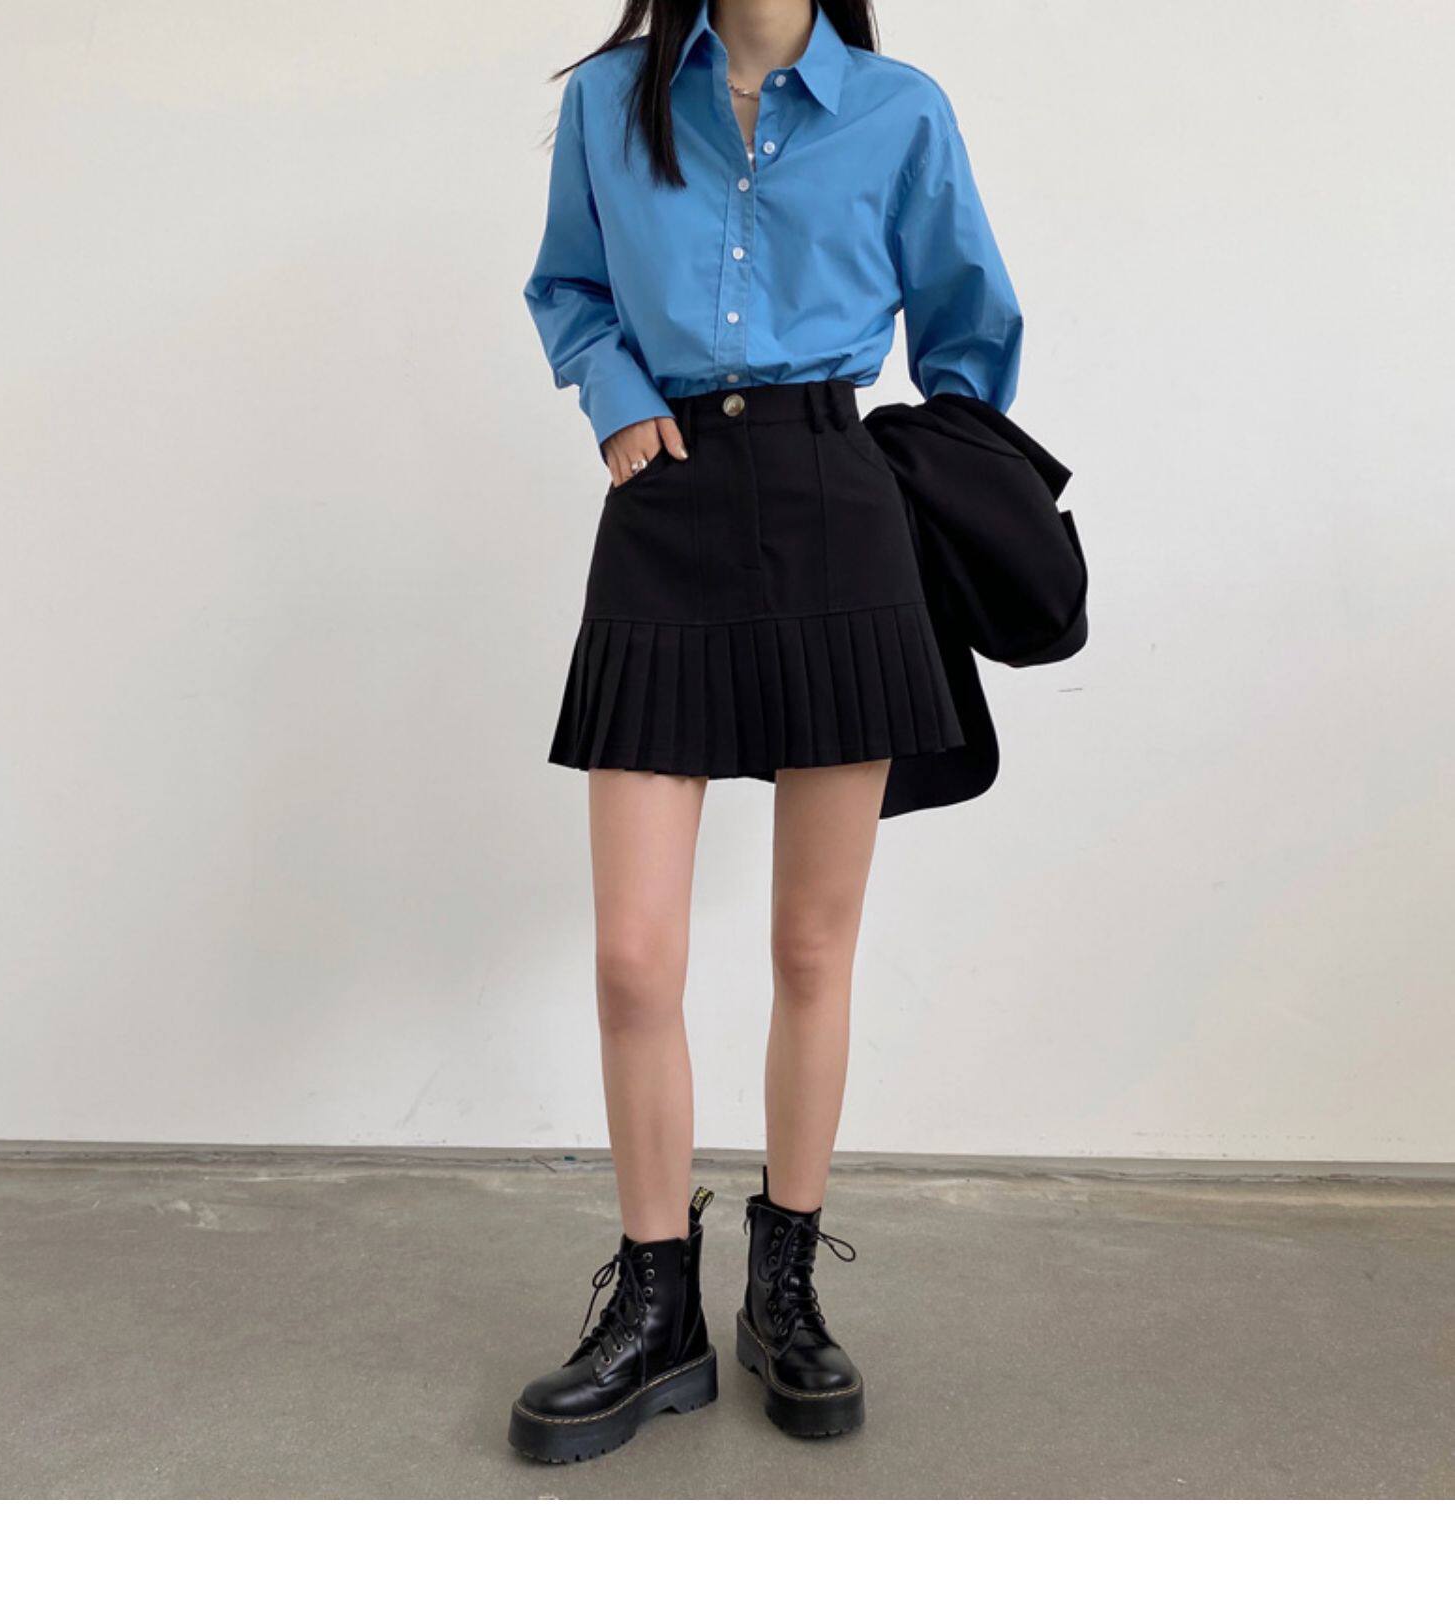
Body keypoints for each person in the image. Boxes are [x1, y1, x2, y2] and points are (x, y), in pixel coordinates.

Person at [508, 0, 1022, 1463]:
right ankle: (654, 1305)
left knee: (811, 948)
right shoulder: (610, 101)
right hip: (664, 507)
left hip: (839, 513)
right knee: (633, 956)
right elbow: (567, 285)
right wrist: (615, 398)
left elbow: (972, 330)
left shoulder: (901, 110)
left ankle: (781, 1292)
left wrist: (917, 476)